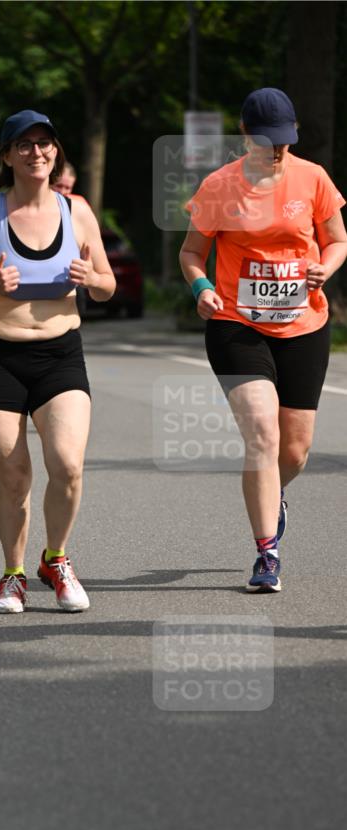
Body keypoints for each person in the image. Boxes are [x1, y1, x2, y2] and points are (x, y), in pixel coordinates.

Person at [0, 110, 115, 612]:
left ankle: (55, 559)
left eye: (45, 144)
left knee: (68, 466)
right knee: (14, 479)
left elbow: (107, 285)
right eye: (25, 145)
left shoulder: (76, 212)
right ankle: (12, 574)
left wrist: (91, 279)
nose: (36, 153)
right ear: (7, 156)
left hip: (60, 354)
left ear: (56, 152)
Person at [180, 87, 347, 593]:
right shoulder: (219, 186)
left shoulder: (312, 177)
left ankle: (273, 495)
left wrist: (326, 267)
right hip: (237, 325)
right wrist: (202, 287)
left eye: (285, 141)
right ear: (245, 134)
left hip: (304, 325)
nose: (278, 150)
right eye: (268, 140)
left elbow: (338, 239)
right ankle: (266, 554)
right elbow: (191, 252)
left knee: (293, 452)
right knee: (263, 435)